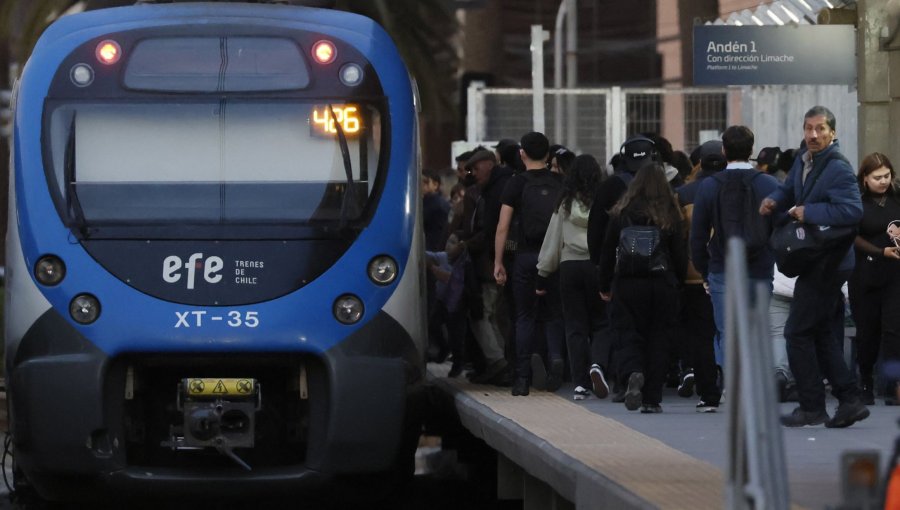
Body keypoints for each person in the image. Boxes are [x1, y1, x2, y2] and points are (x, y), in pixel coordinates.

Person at [759, 105, 870, 428]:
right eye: (808, 128)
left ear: (832, 133)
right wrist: (775, 201)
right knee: (820, 331)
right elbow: (789, 187)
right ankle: (849, 400)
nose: (813, 135)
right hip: (817, 259)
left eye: (820, 129)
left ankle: (812, 406)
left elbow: (852, 212)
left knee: (796, 332)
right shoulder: (804, 160)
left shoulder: (838, 168)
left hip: (829, 262)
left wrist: (811, 213)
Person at [690, 125, 779, 411]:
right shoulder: (769, 185)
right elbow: (780, 227)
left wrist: (705, 271)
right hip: (759, 268)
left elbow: (698, 236)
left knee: (727, 332)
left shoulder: (709, 186)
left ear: (724, 151)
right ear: (752, 150)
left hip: (722, 268)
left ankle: (733, 386)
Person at [597, 164, 688, 413]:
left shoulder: (621, 211)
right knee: (658, 338)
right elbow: (679, 254)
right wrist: (677, 281)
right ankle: (651, 400)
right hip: (661, 284)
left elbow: (607, 251)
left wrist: (604, 284)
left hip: (627, 283)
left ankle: (633, 371)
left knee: (627, 333)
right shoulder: (670, 213)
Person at [494, 132, 564, 396]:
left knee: (524, 316)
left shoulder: (515, 183)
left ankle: (522, 378)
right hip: (556, 256)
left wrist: (499, 262)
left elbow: (502, 227)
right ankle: (556, 356)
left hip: (525, 257)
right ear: (548, 156)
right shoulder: (560, 182)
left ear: (522, 154)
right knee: (554, 313)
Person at [536, 154, 606, 400]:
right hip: (597, 266)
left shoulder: (564, 203)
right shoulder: (603, 202)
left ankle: (580, 383)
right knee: (601, 323)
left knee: (575, 326)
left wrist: (543, 273)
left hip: (569, 268)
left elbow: (552, 241)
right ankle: (598, 365)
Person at [674, 140, 726, 411]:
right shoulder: (740, 189)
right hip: (736, 271)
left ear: (698, 164)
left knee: (702, 335)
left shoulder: (684, 194)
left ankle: (708, 392)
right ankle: (737, 388)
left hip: (694, 274)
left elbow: (677, 235)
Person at [848, 152, 900, 405]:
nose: (883, 181)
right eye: (877, 177)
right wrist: (880, 252)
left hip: (895, 276)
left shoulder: (897, 197)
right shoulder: (856, 202)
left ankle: (892, 384)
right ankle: (865, 380)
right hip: (865, 274)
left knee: (893, 330)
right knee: (867, 331)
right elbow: (852, 236)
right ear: (865, 178)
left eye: (887, 176)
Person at [457, 149, 511, 385]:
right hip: (492, 260)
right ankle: (500, 360)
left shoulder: (491, 192)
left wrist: (464, 245)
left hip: (490, 262)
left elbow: (490, 230)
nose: (472, 174)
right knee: (491, 313)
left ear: (489, 164)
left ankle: (499, 360)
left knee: (484, 314)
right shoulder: (495, 187)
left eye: (475, 169)